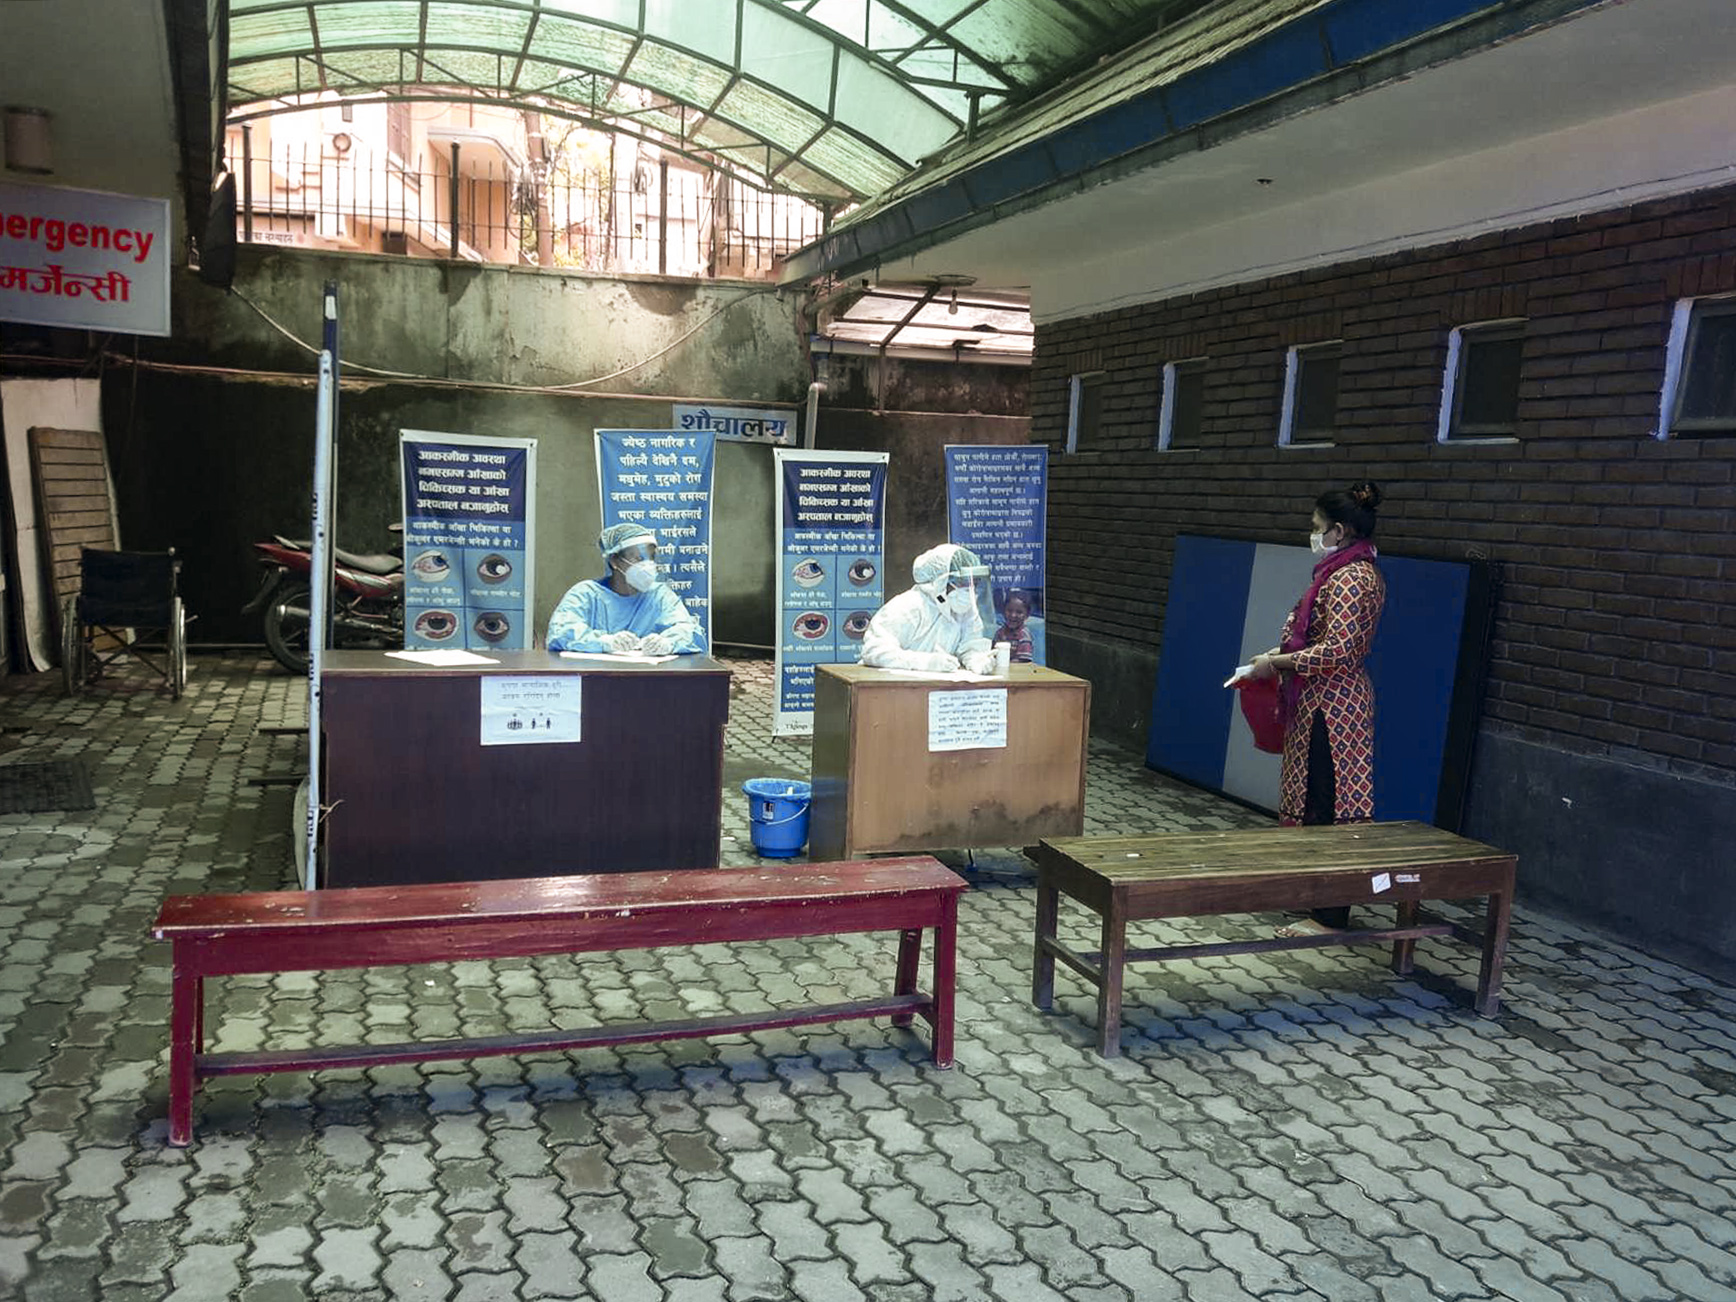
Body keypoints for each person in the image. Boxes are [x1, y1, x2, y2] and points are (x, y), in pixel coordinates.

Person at [1247, 481, 1386, 934]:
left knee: (1330, 806)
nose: (1313, 535)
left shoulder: (1353, 578)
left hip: (1336, 706)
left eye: (1317, 527)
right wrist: (1273, 657)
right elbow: (1314, 641)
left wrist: (1277, 662)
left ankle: (1329, 917)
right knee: (1310, 803)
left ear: (1340, 531)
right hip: (1318, 701)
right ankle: (1313, 899)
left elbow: (1339, 650)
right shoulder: (1339, 572)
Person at [545, 523, 707, 655]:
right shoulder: (585, 594)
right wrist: (604, 642)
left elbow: (689, 631)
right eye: (638, 558)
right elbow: (560, 632)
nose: (648, 565)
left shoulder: (659, 595)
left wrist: (668, 643)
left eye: (651, 558)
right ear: (615, 561)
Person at [859, 543, 998, 674]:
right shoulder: (908, 606)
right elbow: (874, 650)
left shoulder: (965, 610)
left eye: (974, 583)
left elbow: (970, 646)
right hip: (889, 688)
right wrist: (925, 662)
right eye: (963, 583)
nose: (970, 591)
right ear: (940, 581)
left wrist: (977, 660)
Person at [994, 589, 1036, 664]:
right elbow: (993, 653)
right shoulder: (1000, 633)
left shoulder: (1023, 635)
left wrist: (1004, 662)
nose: (1013, 615)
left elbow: (1023, 661)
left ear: (1027, 615)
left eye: (1019, 612)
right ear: (1003, 610)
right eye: (1009, 611)